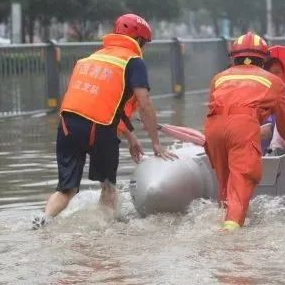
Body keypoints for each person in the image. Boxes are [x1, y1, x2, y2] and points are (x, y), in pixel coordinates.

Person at [33, 14, 177, 229]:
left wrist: (131, 137)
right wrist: (156, 144)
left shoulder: (93, 57)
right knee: (109, 187)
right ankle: (106, 234)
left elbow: (103, 103)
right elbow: (144, 104)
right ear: (138, 40)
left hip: (67, 125)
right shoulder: (133, 62)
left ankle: (44, 219)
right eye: (144, 43)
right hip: (98, 128)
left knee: (66, 189)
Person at [204, 31, 285, 230]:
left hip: (213, 128)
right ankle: (230, 236)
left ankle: (224, 217)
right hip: (242, 127)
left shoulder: (219, 78)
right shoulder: (273, 82)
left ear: (234, 57)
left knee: (225, 184)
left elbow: (212, 106)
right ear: (263, 59)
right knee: (242, 182)